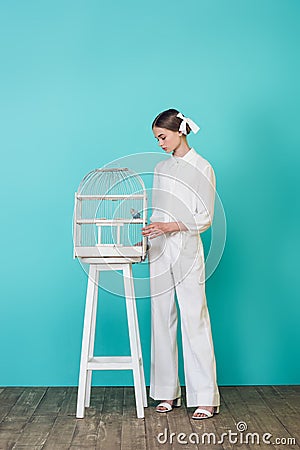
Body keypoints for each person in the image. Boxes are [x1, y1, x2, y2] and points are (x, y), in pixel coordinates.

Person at [142, 108, 220, 420]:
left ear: (180, 132)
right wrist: (148, 237)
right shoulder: (161, 168)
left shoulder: (203, 167)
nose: (159, 142)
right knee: (161, 318)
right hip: (159, 250)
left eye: (162, 136)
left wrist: (170, 227)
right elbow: (157, 212)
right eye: (156, 138)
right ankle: (166, 392)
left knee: (194, 318)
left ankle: (205, 397)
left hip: (187, 251)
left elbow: (205, 218)